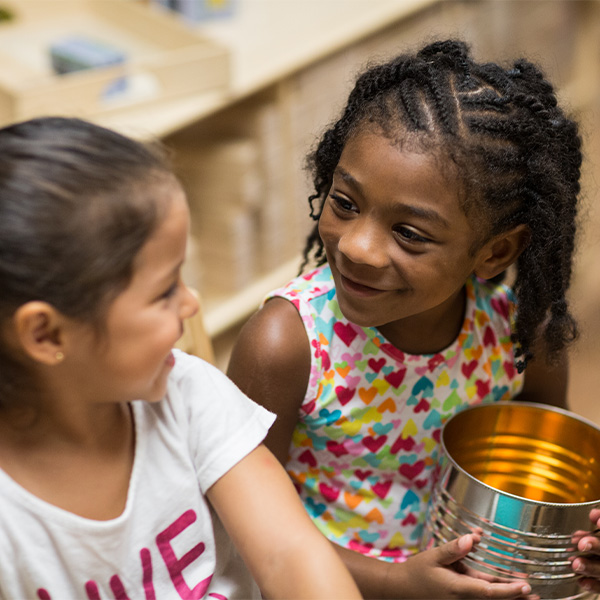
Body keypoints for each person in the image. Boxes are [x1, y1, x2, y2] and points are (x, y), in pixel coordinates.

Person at [227, 39, 590, 598]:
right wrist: (399, 583)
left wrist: (582, 547)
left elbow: (544, 483)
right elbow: (244, 527)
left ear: (494, 252)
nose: (358, 247)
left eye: (409, 233)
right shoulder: (285, 344)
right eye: (345, 202)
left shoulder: (522, 335)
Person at [0, 116, 363, 600]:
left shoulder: (188, 393)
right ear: (45, 334)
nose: (191, 304)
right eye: (165, 290)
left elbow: (291, 556)